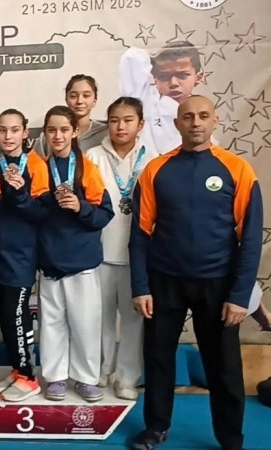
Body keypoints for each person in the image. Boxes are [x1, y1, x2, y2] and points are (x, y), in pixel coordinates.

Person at [129, 96, 263, 450]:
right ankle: (156, 428)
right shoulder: (156, 170)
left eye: (203, 116)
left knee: (224, 367)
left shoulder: (237, 169)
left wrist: (240, 296)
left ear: (215, 121)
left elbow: (250, 239)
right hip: (164, 282)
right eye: (187, 117)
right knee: (158, 359)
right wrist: (140, 287)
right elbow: (140, 235)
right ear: (177, 124)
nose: (196, 123)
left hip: (218, 285)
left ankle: (230, 437)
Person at [32, 105, 114, 402]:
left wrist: (81, 208)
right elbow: (32, 213)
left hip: (82, 262)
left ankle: (86, 378)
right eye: (52, 130)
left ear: (75, 132)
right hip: (50, 261)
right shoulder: (39, 168)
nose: (58, 136)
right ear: (45, 133)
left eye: (64, 130)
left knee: (85, 324)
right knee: (51, 324)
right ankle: (55, 377)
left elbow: (105, 214)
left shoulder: (87, 169)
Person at [86, 97, 159, 401]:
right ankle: (100, 371)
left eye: (128, 120)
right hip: (99, 253)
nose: (120, 126)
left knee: (133, 322)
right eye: (114, 120)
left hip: (137, 257)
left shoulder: (153, 159)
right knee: (99, 318)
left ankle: (127, 377)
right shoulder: (92, 156)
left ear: (140, 124)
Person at [0, 109, 48, 402]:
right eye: (2, 130)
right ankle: (16, 370)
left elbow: (42, 213)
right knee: (4, 315)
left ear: (25, 133)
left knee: (17, 316)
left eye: (14, 130)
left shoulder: (36, 165)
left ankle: (28, 376)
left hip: (21, 255)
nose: (8, 136)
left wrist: (22, 193)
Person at [120, 41, 206, 154]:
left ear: (198, 78)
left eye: (182, 75)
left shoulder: (202, 111)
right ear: (155, 78)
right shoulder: (147, 103)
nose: (173, 83)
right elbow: (132, 57)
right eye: (164, 76)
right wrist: (154, 60)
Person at [35, 75, 108, 156]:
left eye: (86, 96)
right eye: (73, 96)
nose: (79, 101)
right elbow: (34, 162)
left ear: (94, 100)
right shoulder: (47, 137)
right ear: (66, 99)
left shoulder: (105, 133)